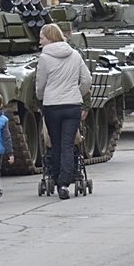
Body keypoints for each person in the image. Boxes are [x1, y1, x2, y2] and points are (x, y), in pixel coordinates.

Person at [35, 23, 91, 200]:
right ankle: (65, 184)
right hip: (72, 104)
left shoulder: (44, 58)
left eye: (41, 38)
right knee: (68, 144)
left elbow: (40, 84)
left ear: (50, 38)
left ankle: (56, 177)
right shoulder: (75, 55)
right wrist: (77, 93)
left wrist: (43, 96)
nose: (40, 41)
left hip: (52, 106)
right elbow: (87, 79)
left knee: (56, 144)